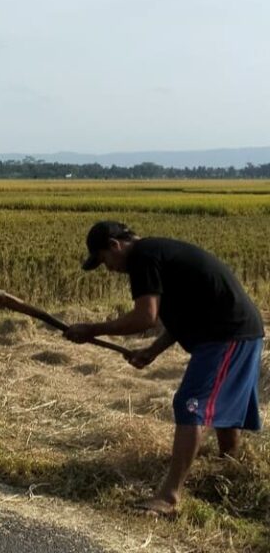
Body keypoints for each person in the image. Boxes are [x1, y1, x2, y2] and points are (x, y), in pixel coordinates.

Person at [67, 221, 264, 516]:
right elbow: (181, 314)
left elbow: (146, 317)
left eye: (104, 260)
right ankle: (228, 472)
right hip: (236, 331)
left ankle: (169, 497)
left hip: (227, 335)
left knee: (190, 403)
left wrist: (92, 330)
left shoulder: (142, 257)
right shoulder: (158, 253)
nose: (108, 269)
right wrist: (152, 351)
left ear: (114, 245)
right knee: (225, 408)